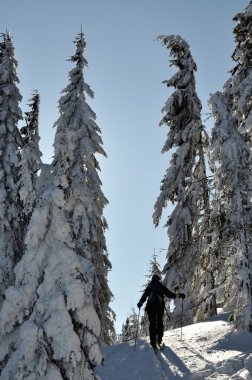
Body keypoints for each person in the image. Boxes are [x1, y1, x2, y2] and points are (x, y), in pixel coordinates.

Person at [137, 274, 185, 349]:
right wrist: (179, 295)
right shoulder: (161, 286)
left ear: (152, 280)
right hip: (159, 307)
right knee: (159, 322)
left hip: (150, 307)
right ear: (158, 279)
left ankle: (153, 342)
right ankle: (159, 339)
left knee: (152, 323)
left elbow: (144, 296)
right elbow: (169, 294)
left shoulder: (149, 287)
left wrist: (140, 303)